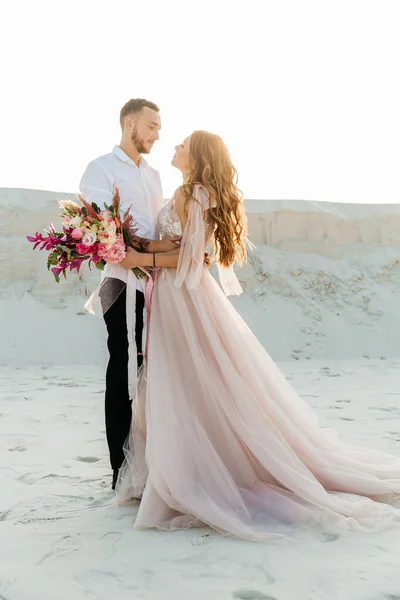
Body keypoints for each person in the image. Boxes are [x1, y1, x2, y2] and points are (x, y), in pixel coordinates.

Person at [115, 130, 400, 541]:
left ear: (196, 155)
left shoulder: (193, 193)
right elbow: (178, 242)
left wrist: (140, 257)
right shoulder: (189, 191)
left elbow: (192, 256)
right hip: (181, 295)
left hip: (184, 297)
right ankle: (188, 462)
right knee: (190, 378)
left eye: (181, 145)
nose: (174, 147)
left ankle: (198, 470)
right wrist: (132, 241)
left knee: (187, 378)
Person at [79, 99, 180, 490]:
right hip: (122, 285)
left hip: (156, 287)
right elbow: (104, 234)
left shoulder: (154, 174)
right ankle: (120, 473)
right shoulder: (100, 169)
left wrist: (163, 249)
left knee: (152, 376)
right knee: (122, 376)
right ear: (128, 122)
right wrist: (147, 249)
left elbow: (150, 232)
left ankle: (151, 464)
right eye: (152, 125)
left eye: (159, 126)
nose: (157, 134)